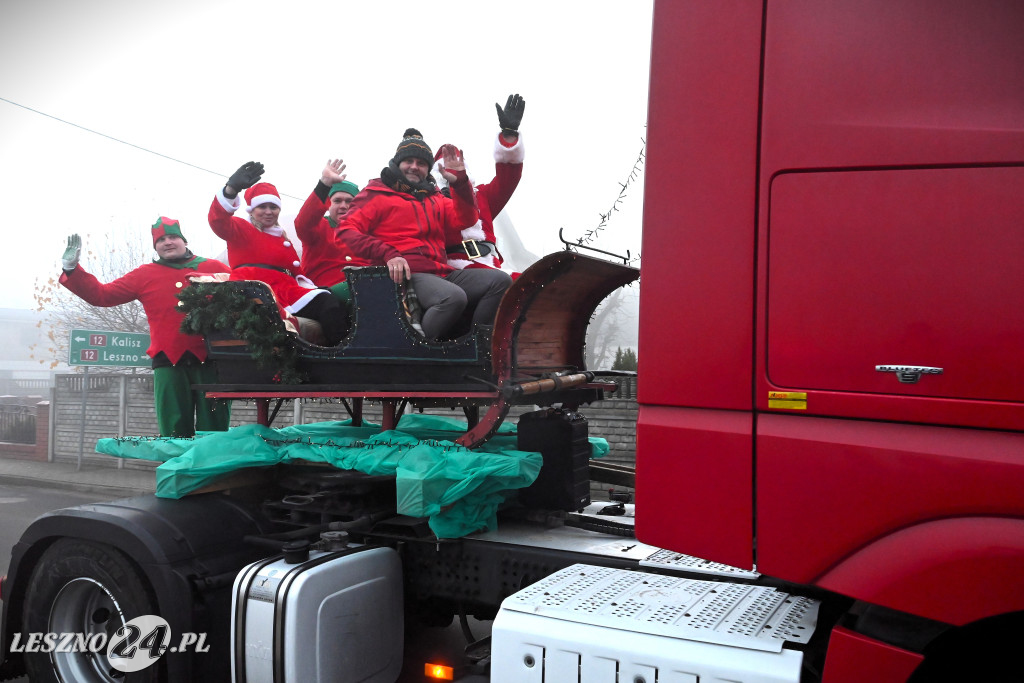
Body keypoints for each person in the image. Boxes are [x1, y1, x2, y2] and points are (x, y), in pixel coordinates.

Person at [58, 220, 231, 437]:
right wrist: (71, 269)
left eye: (172, 237)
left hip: (212, 362)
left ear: (183, 240)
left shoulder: (215, 269)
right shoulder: (144, 275)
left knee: (215, 428)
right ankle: (178, 470)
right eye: (161, 240)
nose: (167, 242)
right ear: (155, 246)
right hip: (168, 363)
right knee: (173, 430)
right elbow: (102, 295)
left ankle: (216, 471)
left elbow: (247, 296)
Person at [337, 129, 512, 341]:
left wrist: (460, 184)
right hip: (404, 274)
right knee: (452, 298)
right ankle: (417, 349)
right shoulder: (377, 193)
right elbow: (346, 230)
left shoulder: (434, 198)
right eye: (408, 161)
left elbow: (465, 220)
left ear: (428, 169)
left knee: (500, 281)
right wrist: (388, 253)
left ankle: (474, 344)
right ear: (397, 163)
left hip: (440, 272)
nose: (414, 166)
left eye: (420, 163)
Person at [208, 162, 350, 345]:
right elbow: (217, 221)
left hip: (287, 290)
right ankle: (341, 354)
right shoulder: (242, 228)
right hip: (261, 290)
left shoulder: (281, 236)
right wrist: (231, 189)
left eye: (273, 207)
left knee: (332, 303)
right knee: (328, 304)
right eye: (262, 207)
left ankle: (339, 349)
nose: (268, 212)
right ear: (252, 210)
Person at [435, 93, 526, 276]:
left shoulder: (481, 196)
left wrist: (508, 136)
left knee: (534, 284)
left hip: (492, 265)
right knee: (512, 283)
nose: (452, 170)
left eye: (458, 165)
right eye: (447, 166)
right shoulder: (431, 200)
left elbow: (508, 178)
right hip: (458, 266)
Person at [293, 159, 369, 304]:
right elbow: (303, 223)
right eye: (337, 201)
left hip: (365, 291)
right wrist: (325, 183)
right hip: (326, 297)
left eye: (349, 201)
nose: (343, 206)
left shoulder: (367, 234)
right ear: (328, 205)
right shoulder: (319, 227)